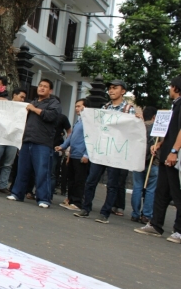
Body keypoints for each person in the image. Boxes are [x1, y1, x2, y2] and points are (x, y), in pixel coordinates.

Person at [74, 79, 139, 223]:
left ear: (123, 91)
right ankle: (85, 208)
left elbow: (131, 130)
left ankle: (105, 213)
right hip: (102, 150)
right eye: (110, 88)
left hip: (116, 152)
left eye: (115, 88)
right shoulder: (105, 107)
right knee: (91, 180)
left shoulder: (129, 109)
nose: (111, 90)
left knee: (112, 184)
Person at [135, 76, 181, 243]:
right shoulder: (174, 106)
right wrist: (160, 144)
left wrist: (174, 151)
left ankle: (179, 230)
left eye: (171, 86)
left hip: (174, 157)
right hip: (166, 154)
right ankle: (156, 224)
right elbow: (172, 131)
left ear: (176, 87)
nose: (169, 89)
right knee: (161, 192)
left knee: (177, 193)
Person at [7, 79, 61, 208]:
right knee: (22, 170)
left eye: (45, 86)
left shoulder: (54, 103)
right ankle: (17, 193)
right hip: (27, 140)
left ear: (50, 90)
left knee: (42, 171)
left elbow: (51, 116)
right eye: (40, 86)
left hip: (42, 142)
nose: (41, 88)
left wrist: (34, 109)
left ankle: (43, 198)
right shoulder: (33, 102)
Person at [55, 98, 89, 211]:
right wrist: (63, 146)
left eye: (79, 106)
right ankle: (70, 199)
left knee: (79, 180)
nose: (77, 109)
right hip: (73, 154)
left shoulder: (89, 122)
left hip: (81, 155)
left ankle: (77, 202)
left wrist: (86, 155)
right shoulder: (79, 120)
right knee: (71, 179)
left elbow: (91, 140)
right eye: (76, 106)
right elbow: (71, 137)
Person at [130, 106, 159, 224]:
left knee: (137, 187)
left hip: (138, 160)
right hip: (154, 162)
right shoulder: (157, 129)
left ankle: (135, 213)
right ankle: (146, 215)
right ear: (154, 117)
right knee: (151, 189)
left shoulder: (139, 127)